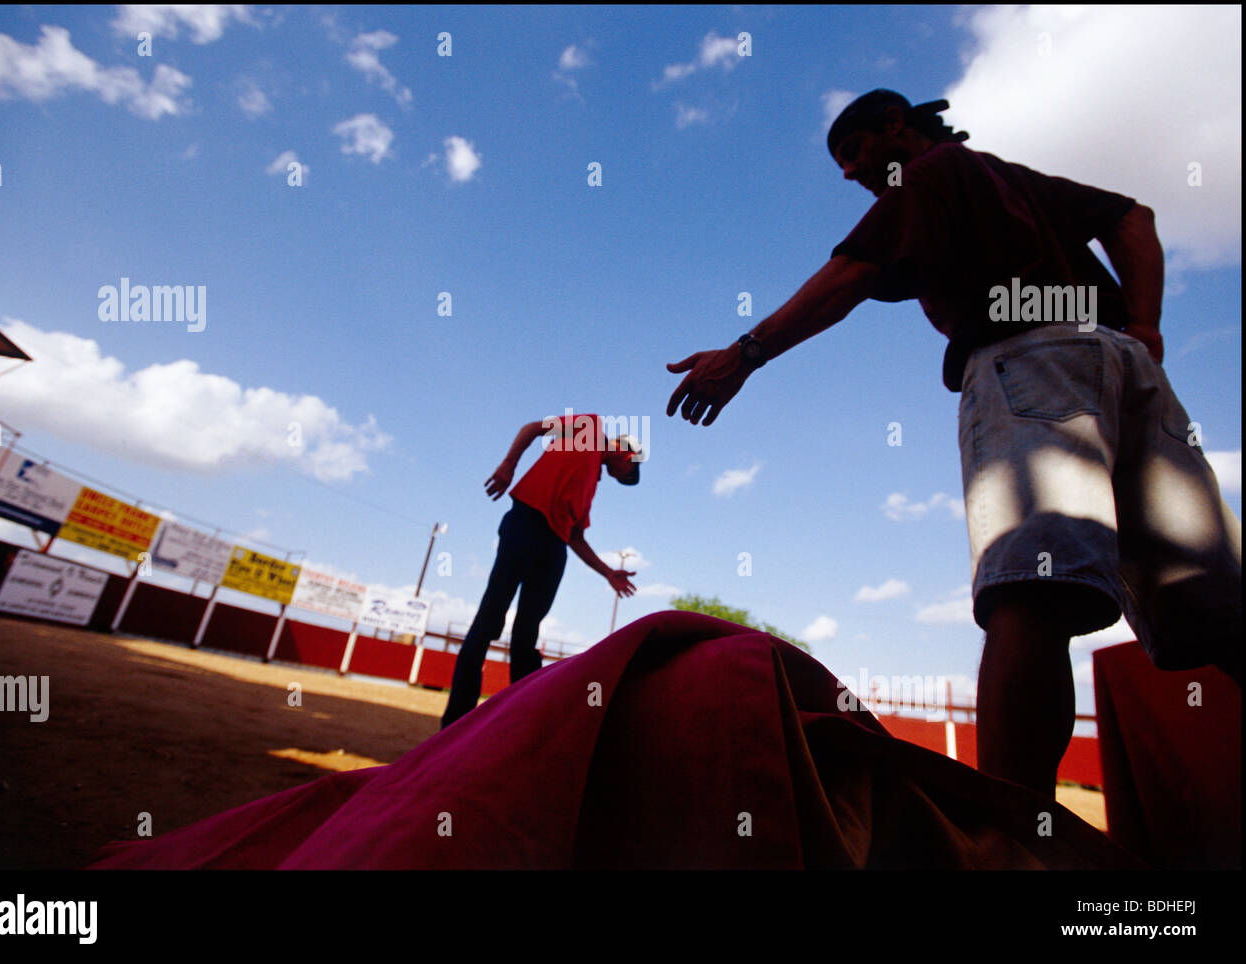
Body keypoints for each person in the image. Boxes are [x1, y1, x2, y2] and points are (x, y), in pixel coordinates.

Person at [665, 89, 1242, 798]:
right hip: (1130, 372)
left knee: (1030, 594)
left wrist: (746, 353)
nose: (849, 174)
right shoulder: (1013, 177)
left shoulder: (929, 173)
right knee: (1223, 613)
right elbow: (1135, 218)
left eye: (853, 152)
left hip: (1034, 364)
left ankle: (1006, 840)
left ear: (895, 127)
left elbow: (854, 273)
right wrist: (1147, 328)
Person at [441, 413, 640, 728]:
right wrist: (509, 465)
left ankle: (525, 724)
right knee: (488, 620)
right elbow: (532, 429)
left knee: (526, 635)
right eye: (627, 473)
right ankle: (455, 722)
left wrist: (608, 572)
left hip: (554, 548)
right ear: (630, 454)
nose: (620, 476)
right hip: (525, 523)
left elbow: (576, 537)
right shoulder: (589, 426)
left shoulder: (591, 484)